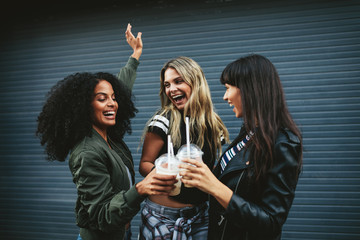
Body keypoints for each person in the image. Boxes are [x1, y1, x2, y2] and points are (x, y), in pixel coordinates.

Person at [36, 24, 177, 240]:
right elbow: (102, 215)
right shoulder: (87, 153)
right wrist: (140, 189)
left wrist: (135, 55)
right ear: (84, 106)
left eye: (113, 97)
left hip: (122, 232)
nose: (112, 103)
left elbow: (122, 86)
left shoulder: (106, 134)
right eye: (102, 99)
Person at [179, 54, 303, 240]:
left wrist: (214, 186)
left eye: (228, 88)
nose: (225, 96)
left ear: (249, 90)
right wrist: (203, 174)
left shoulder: (283, 143)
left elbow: (271, 222)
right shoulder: (250, 132)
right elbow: (239, 182)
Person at [139, 56, 229, 239]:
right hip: (162, 216)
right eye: (167, 84)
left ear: (195, 82)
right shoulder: (163, 120)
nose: (171, 89)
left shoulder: (214, 125)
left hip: (200, 217)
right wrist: (166, 172)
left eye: (178, 81)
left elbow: (211, 170)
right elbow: (145, 163)